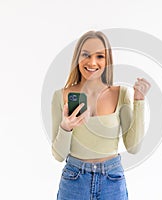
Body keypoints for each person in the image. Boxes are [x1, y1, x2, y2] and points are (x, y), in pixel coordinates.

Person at [51, 30, 151, 200]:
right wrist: (66, 127)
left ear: (107, 61)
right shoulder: (61, 96)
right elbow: (59, 156)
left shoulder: (121, 94)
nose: (92, 62)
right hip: (74, 180)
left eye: (100, 56)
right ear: (77, 58)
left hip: (111, 180)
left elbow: (133, 148)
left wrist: (139, 101)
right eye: (86, 55)